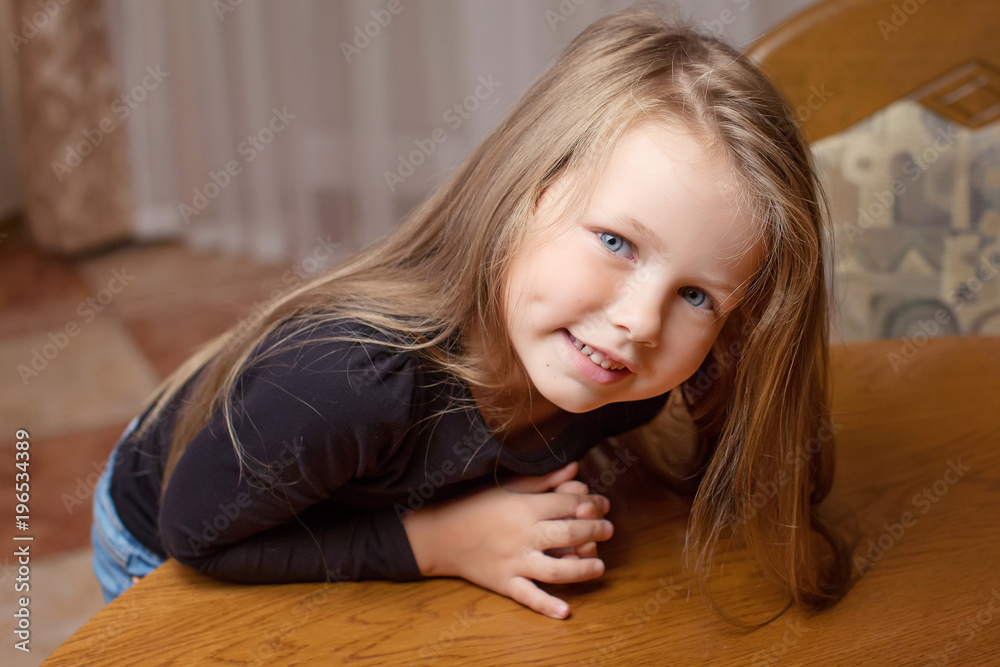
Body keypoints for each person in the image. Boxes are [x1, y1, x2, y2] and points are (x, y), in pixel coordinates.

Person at [91, 5, 851, 621]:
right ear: (525, 193)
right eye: (616, 241)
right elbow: (198, 537)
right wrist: (439, 541)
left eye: (697, 295)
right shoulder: (347, 381)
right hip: (175, 534)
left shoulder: (624, 366)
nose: (640, 322)